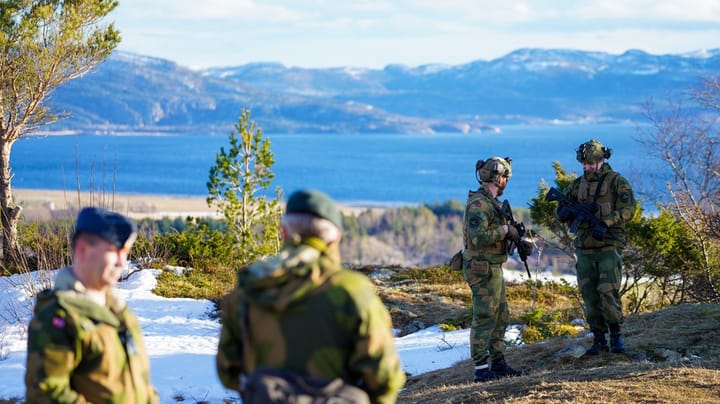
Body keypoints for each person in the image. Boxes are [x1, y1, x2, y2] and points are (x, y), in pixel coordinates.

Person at [216, 189, 406, 404]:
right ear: (336, 237)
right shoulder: (352, 290)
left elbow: (228, 371)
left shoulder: (250, 287)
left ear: (284, 232)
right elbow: (384, 377)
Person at [25, 207, 158, 403]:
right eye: (114, 251)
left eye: (126, 253)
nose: (122, 262)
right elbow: (47, 394)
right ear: (82, 250)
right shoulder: (58, 317)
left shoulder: (118, 311)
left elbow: (139, 382)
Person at [556, 139, 636, 355]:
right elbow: (561, 205)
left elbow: (630, 209)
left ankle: (616, 336)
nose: (586, 167)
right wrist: (563, 213)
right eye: (584, 164)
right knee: (590, 294)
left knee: (608, 290)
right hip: (585, 246)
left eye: (590, 163)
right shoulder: (577, 184)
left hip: (608, 243)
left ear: (601, 160)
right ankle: (599, 339)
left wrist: (608, 221)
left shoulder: (616, 182)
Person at [462, 157, 533, 382]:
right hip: (481, 268)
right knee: (485, 317)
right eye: (505, 178)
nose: (506, 182)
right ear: (497, 178)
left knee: (500, 315)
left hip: (492, 266)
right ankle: (481, 370)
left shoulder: (491, 203)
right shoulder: (479, 205)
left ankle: (498, 362)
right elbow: (478, 237)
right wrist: (504, 230)